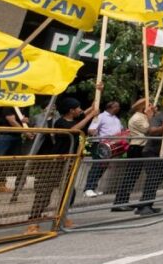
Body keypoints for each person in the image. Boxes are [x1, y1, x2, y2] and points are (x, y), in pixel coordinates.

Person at [28, 96, 98, 233]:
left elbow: (90, 109)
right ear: (71, 110)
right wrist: (90, 116)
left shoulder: (76, 118)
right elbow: (74, 129)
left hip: (70, 162)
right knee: (44, 191)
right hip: (57, 162)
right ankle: (33, 221)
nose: (80, 110)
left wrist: (98, 92)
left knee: (69, 191)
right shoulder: (60, 123)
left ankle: (62, 217)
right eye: (78, 108)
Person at [112, 99, 152, 211]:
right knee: (131, 175)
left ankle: (123, 200)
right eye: (148, 106)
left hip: (140, 147)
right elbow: (147, 129)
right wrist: (150, 117)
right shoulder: (137, 118)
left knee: (133, 175)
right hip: (136, 147)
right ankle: (119, 202)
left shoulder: (142, 116)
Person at [83, 99, 124, 197]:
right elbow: (91, 129)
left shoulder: (116, 119)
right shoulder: (100, 116)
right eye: (116, 106)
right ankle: (88, 188)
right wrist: (94, 132)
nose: (118, 108)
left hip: (111, 145)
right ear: (110, 107)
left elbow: (121, 129)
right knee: (97, 166)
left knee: (102, 167)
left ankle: (93, 187)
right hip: (101, 144)